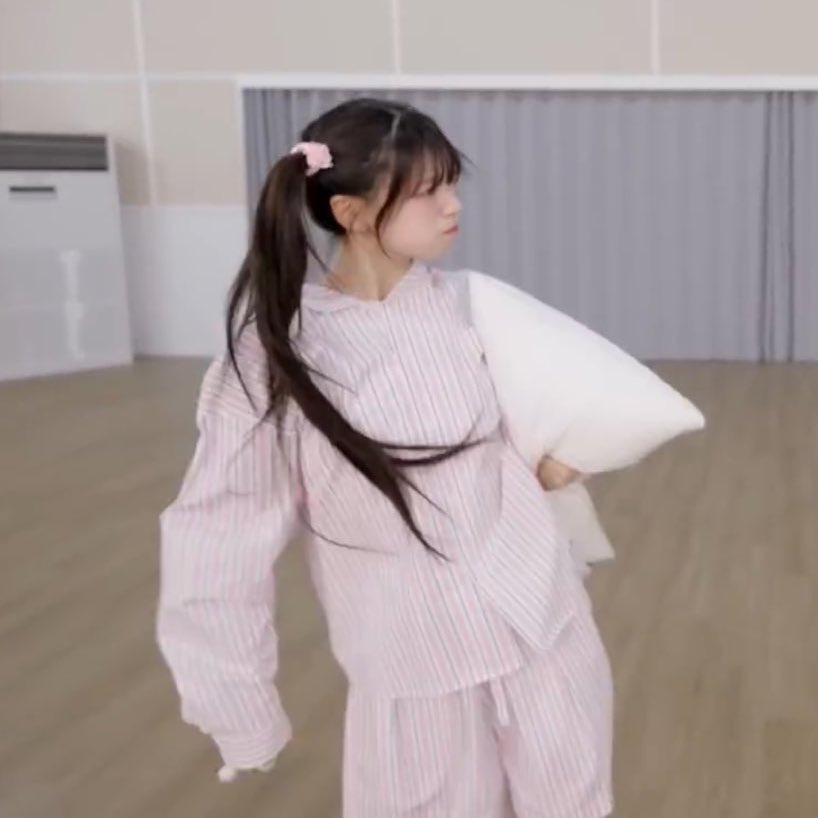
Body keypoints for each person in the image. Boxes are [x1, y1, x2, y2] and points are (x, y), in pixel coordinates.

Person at [157, 97, 613, 818]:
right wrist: (237, 704)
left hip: (543, 628)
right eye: (429, 191)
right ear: (352, 212)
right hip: (415, 664)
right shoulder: (279, 356)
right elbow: (218, 537)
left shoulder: (473, 308)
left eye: (452, 184)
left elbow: (517, 440)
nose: (453, 205)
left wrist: (551, 464)